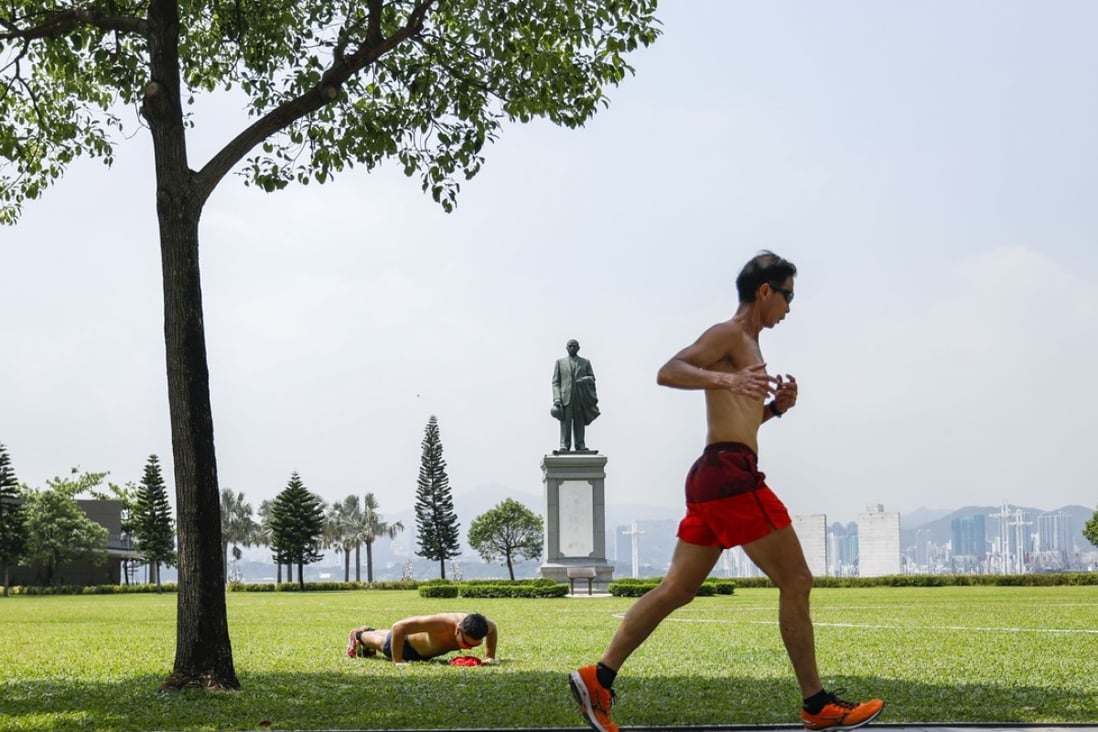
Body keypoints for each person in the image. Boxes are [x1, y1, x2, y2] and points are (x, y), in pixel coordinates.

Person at [568, 252, 884, 732]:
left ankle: (599, 677)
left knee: (677, 588)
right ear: (764, 291)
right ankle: (817, 704)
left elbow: (738, 420)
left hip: (716, 472)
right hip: (731, 475)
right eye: (788, 295)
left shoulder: (751, 346)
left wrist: (775, 409)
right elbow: (668, 370)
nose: (790, 308)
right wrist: (726, 376)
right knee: (796, 581)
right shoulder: (729, 335)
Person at [346, 611, 497, 664]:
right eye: (465, 644)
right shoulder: (442, 623)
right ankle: (358, 635)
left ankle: (370, 630)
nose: (468, 648)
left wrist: (489, 656)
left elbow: (493, 629)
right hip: (408, 648)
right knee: (382, 643)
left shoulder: (484, 625)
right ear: (458, 629)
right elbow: (398, 627)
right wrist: (398, 661)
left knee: (387, 636)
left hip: (418, 643)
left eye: (474, 646)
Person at [552, 339, 600, 452]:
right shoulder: (560, 362)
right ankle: (564, 445)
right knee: (565, 422)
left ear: (578, 348)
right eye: (570, 346)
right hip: (565, 397)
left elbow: (592, 378)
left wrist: (583, 380)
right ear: (566, 348)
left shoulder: (585, 362)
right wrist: (557, 397)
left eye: (574, 346)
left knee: (579, 421)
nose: (572, 348)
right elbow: (556, 382)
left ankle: (580, 445)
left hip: (580, 396)